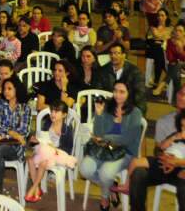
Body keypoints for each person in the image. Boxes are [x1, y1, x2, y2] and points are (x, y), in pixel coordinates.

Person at [79, 80, 143, 211]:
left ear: (129, 94)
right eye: (115, 91)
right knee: (84, 169)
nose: (117, 95)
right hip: (104, 149)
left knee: (105, 174)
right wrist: (99, 114)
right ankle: (111, 188)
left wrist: (106, 138)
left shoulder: (135, 113)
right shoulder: (108, 107)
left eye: (122, 92)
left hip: (125, 152)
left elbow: (127, 139)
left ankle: (104, 197)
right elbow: (98, 132)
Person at [128, 83, 185, 210]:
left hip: (182, 168)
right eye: (180, 93)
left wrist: (177, 162)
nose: (181, 96)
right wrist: (165, 160)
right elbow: (157, 149)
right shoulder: (164, 121)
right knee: (138, 173)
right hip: (165, 164)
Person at [113, 109, 185, 195]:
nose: (183, 130)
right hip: (161, 161)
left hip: (178, 166)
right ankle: (127, 185)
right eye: (182, 126)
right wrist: (174, 138)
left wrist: (176, 162)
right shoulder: (176, 135)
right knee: (135, 162)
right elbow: (162, 147)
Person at [0, 75, 31, 192]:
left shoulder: (25, 108)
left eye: (9, 89)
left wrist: (2, 135)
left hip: (14, 148)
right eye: (4, 89)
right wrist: (11, 132)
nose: (5, 92)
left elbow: (23, 132)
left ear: (17, 89)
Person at [25, 100, 76, 202]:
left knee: (43, 160)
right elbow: (40, 142)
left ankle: (34, 188)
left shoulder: (67, 129)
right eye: (52, 111)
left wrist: (53, 149)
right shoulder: (47, 124)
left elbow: (68, 149)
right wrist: (34, 141)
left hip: (59, 155)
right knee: (30, 160)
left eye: (57, 112)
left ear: (64, 115)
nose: (53, 114)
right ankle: (37, 188)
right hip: (45, 154)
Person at [100, 44, 146, 113]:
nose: (113, 56)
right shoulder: (103, 70)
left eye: (116, 53)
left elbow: (140, 93)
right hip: (110, 105)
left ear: (123, 55)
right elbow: (98, 89)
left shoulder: (135, 71)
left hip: (131, 105)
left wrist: (124, 105)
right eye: (111, 53)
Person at [146, 8, 173, 91]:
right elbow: (149, 40)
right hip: (153, 49)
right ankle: (160, 79)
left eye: (162, 15)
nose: (160, 17)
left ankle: (156, 80)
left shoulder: (171, 28)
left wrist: (159, 39)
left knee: (160, 53)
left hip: (165, 50)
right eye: (159, 15)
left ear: (166, 17)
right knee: (158, 50)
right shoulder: (153, 27)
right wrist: (162, 39)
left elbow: (170, 40)